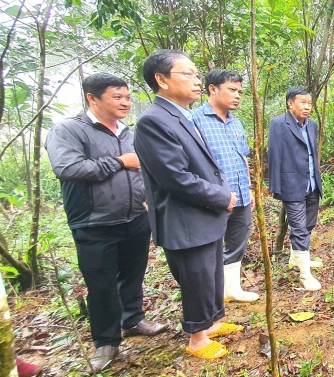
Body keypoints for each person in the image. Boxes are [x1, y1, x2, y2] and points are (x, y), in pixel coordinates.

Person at [44, 73, 168, 372]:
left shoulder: (128, 131)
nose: (125, 102)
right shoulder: (69, 130)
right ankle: (106, 341)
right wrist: (119, 162)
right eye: (117, 97)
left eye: (127, 97)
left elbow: (143, 168)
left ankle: (133, 319)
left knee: (133, 273)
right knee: (100, 284)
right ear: (92, 98)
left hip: (135, 217)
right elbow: (67, 167)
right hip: (94, 222)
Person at [134, 50, 240, 360]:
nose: (197, 80)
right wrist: (221, 196)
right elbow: (175, 178)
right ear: (161, 79)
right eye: (189, 74)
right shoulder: (153, 121)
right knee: (196, 277)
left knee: (211, 273)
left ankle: (213, 322)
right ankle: (196, 338)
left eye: (196, 74)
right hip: (183, 218)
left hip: (201, 214)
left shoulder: (181, 115)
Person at [192, 69, 259, 303]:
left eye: (240, 91)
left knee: (238, 238)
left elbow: (243, 158)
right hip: (213, 199)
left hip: (240, 194)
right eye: (232, 90)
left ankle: (231, 288)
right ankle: (211, 295)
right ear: (212, 89)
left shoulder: (235, 122)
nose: (237, 95)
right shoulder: (195, 121)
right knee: (210, 246)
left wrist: (249, 189)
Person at [268, 86, 323, 291]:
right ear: (290, 103)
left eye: (309, 103)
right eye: (303, 102)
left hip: (311, 183)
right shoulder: (278, 124)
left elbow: (311, 154)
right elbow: (274, 155)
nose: (307, 107)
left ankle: (296, 258)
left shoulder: (312, 125)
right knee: (299, 228)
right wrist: (275, 185)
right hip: (291, 184)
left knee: (309, 224)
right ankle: (305, 274)